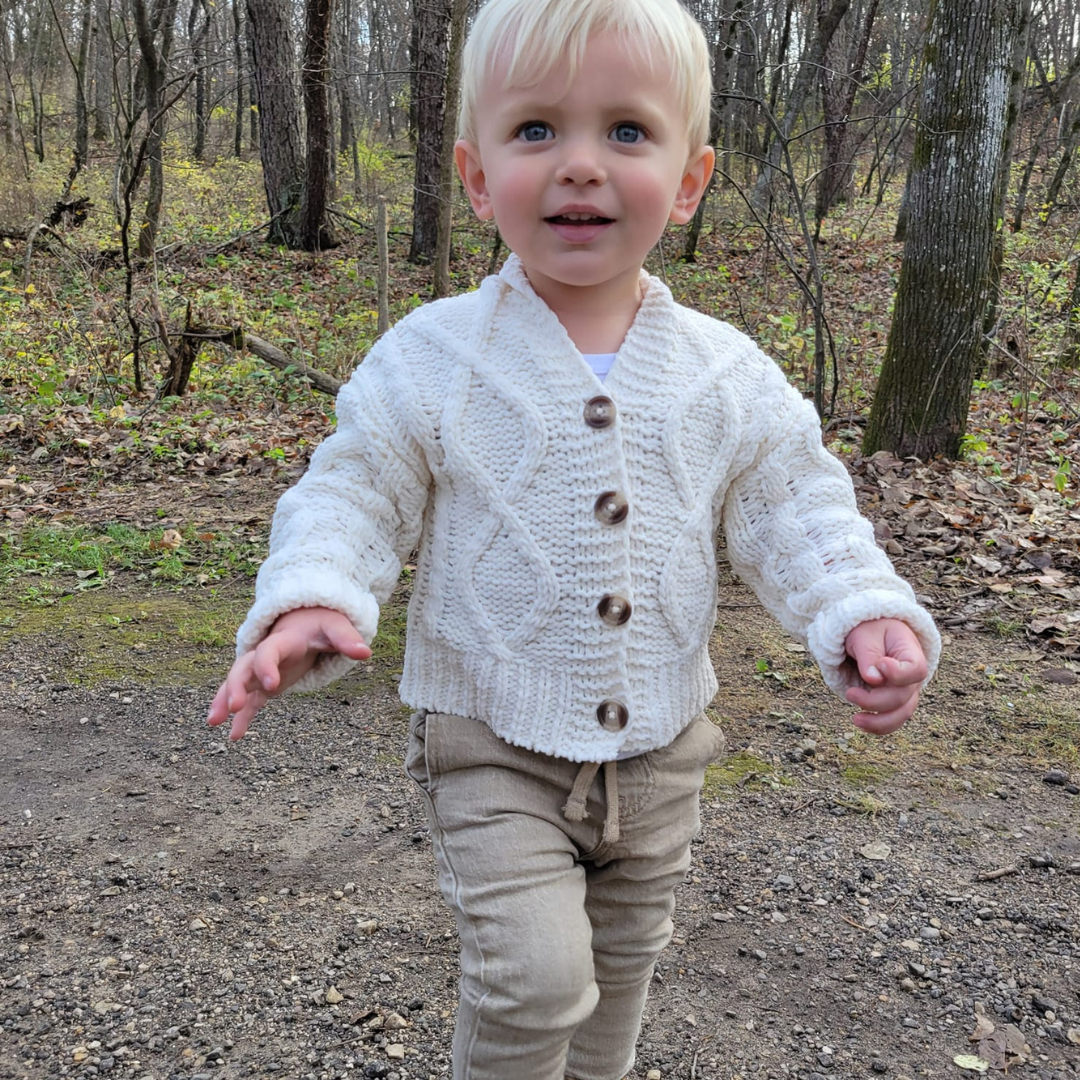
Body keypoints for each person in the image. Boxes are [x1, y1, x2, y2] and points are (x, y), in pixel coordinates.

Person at [208, 0, 941, 1076]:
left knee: (621, 972)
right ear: (475, 174)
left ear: (689, 181)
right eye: (537, 131)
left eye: (628, 133)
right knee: (537, 982)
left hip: (662, 753)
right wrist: (318, 593)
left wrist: (865, 611)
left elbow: (800, 507)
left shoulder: (724, 372)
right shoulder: (432, 358)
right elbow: (354, 490)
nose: (581, 166)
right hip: (491, 740)